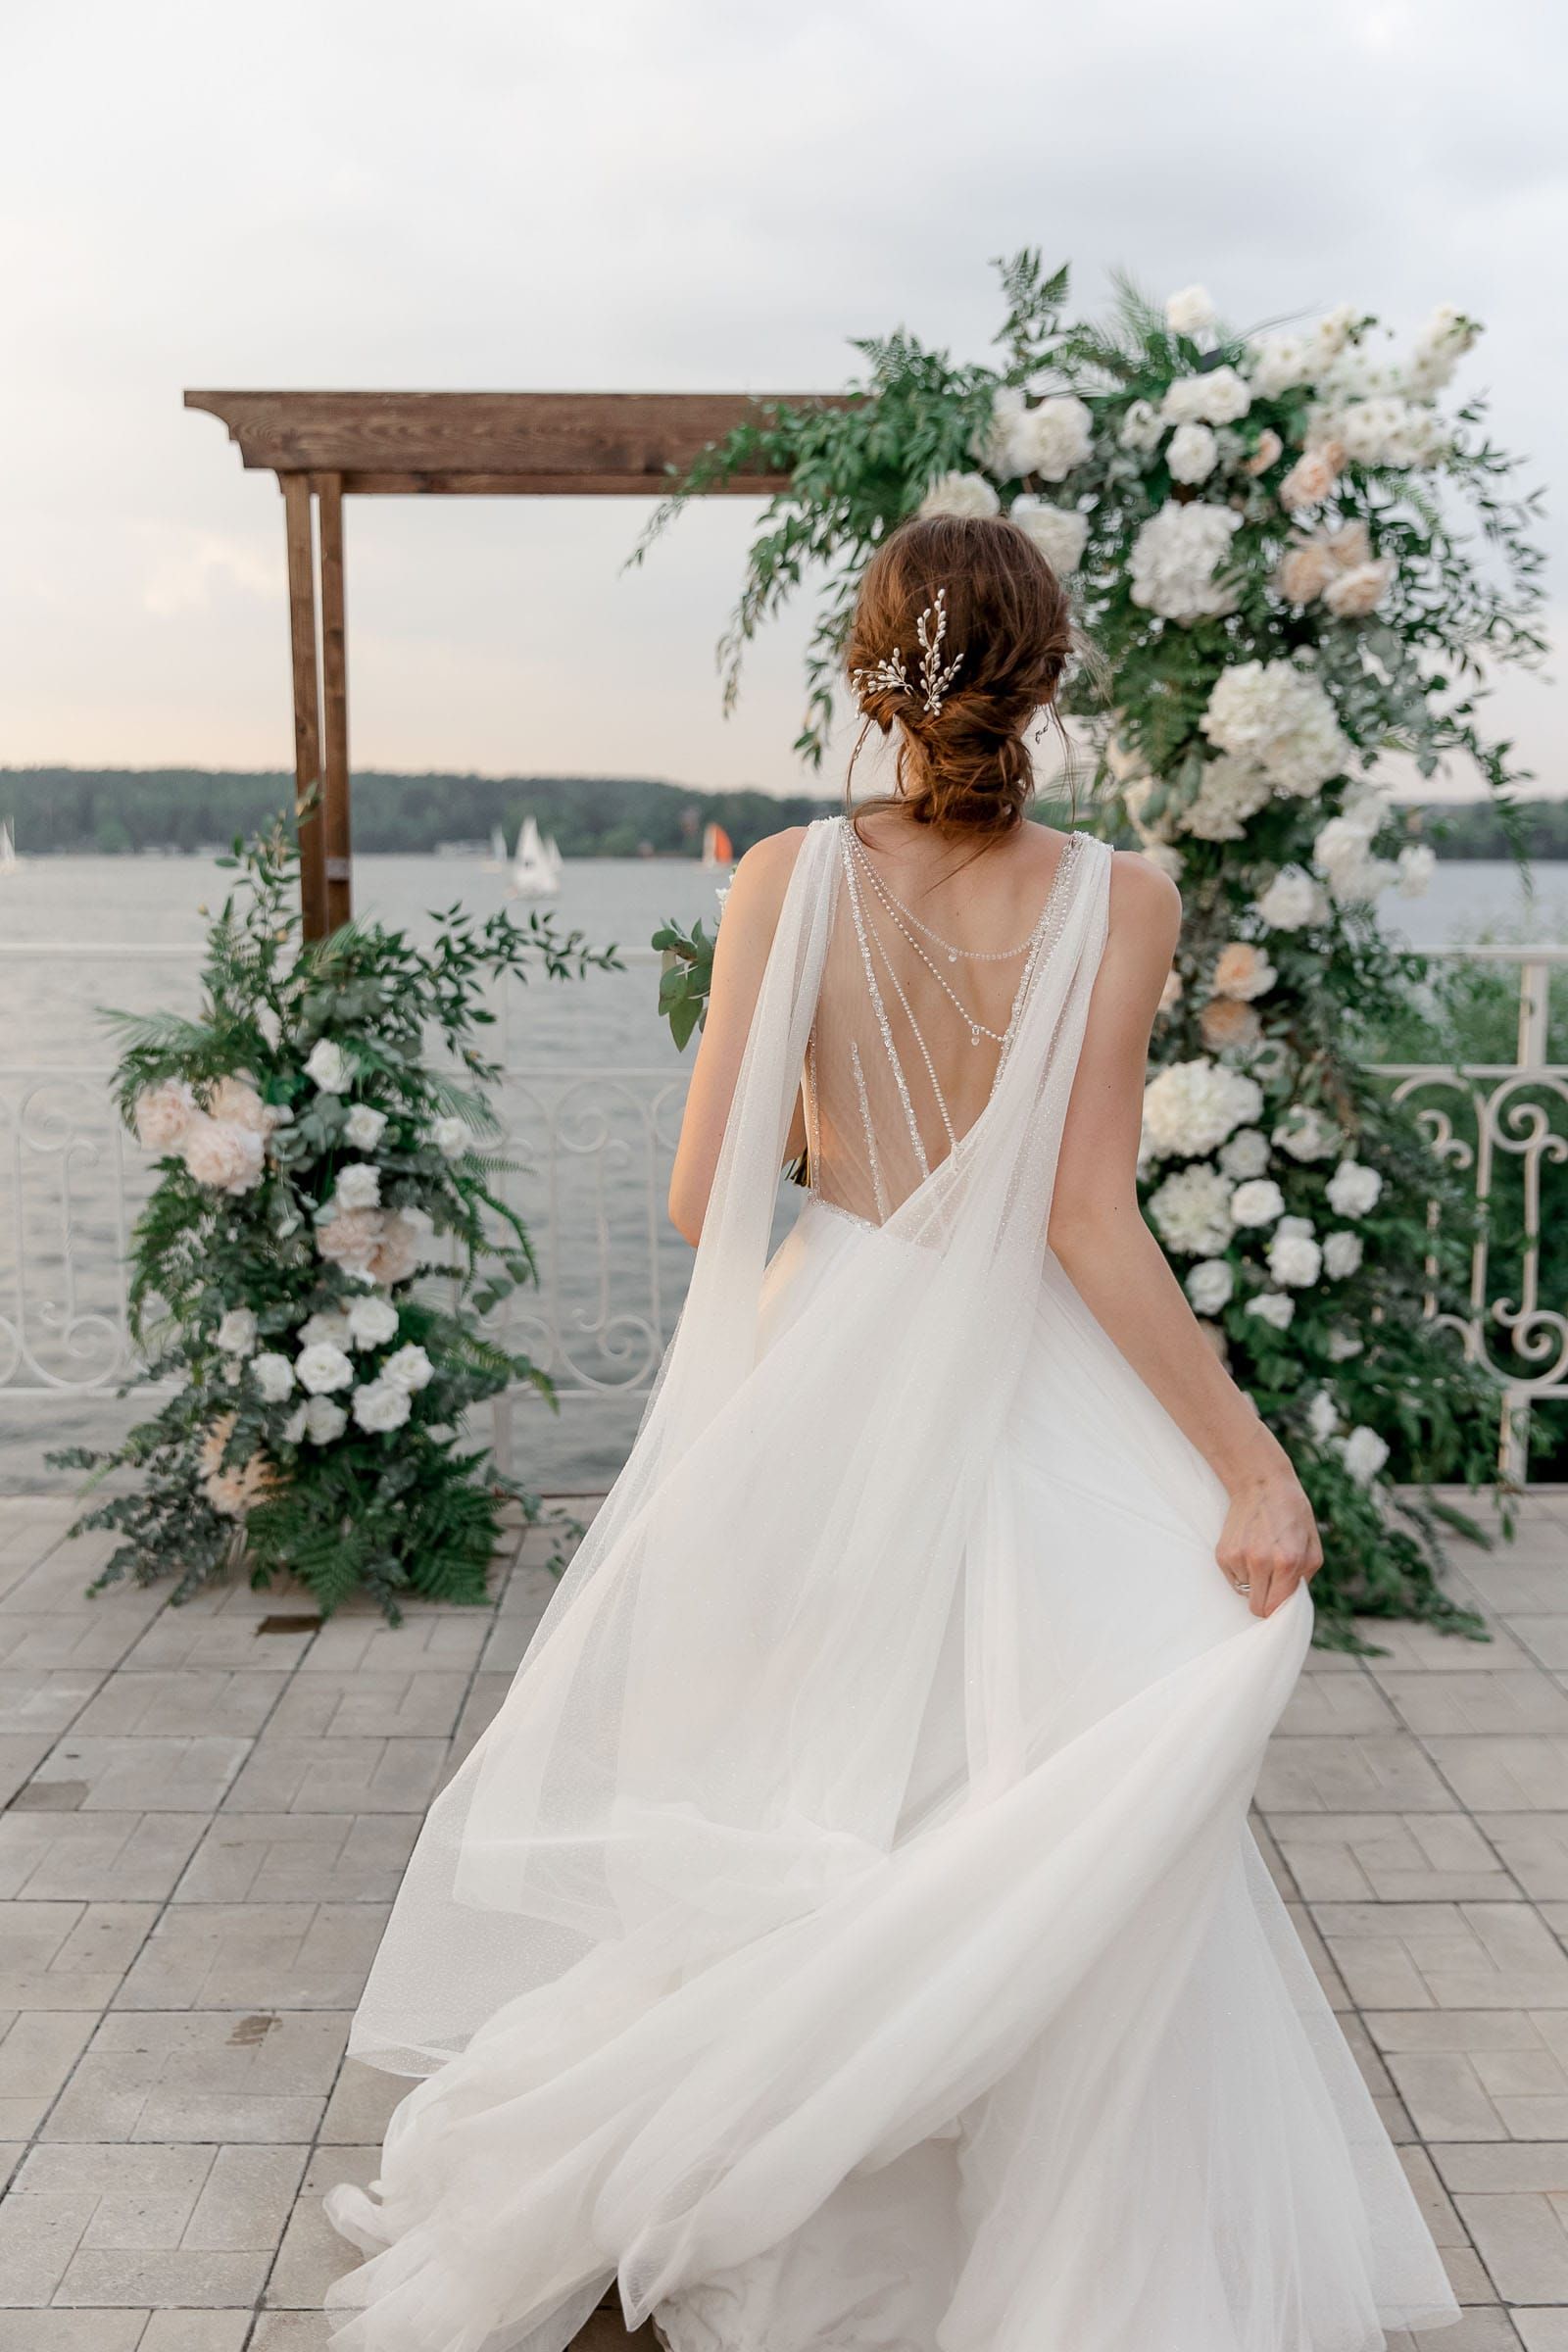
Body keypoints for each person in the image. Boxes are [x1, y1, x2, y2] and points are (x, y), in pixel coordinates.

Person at [325, 514, 1460, 2352]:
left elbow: (710, 1199)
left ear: (868, 673)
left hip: (825, 1366)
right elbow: (1088, 1223)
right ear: (1052, 674)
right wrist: (1251, 1462)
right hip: (1031, 1386)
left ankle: (713, 2183)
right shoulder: (1127, 896)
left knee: (811, 1803)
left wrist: (862, 1140)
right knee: (1032, 1808)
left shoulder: (780, 877)